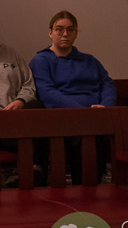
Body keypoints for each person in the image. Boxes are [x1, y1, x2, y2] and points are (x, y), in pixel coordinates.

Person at [29, 10, 116, 184]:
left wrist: (105, 107)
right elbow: (47, 93)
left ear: (76, 33)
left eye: (70, 30)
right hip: (65, 119)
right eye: (59, 29)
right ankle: (85, 189)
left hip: (98, 116)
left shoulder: (89, 60)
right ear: (50, 32)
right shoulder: (42, 60)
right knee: (87, 137)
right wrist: (82, 112)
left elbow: (107, 84)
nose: (65, 34)